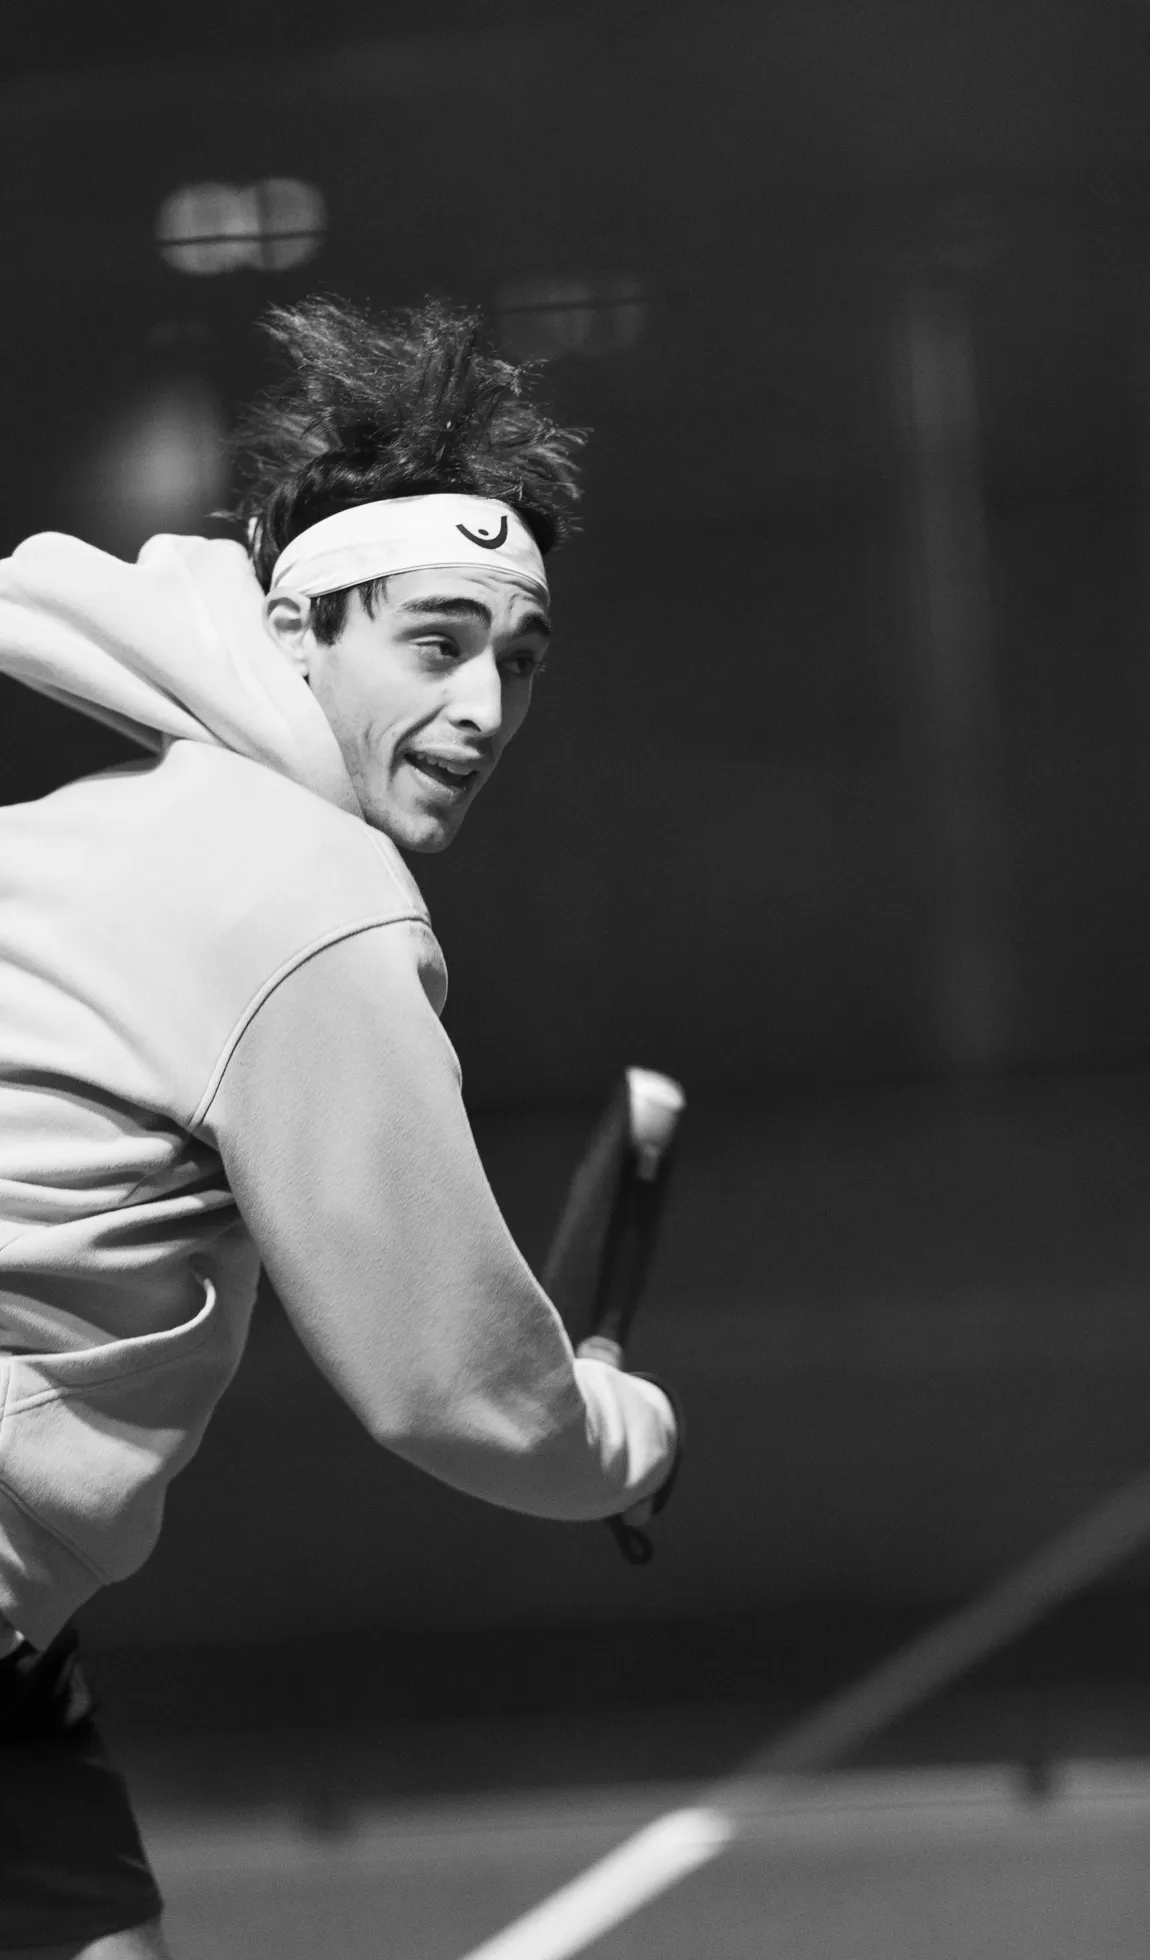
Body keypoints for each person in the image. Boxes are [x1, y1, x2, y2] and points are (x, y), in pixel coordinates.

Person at [0, 298, 680, 1958]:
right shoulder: (309, 903)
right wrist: (618, 1437)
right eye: (435, 645)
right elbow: (454, 1392)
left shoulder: (93, 829)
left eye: (518, 661)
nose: (484, 707)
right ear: (298, 634)